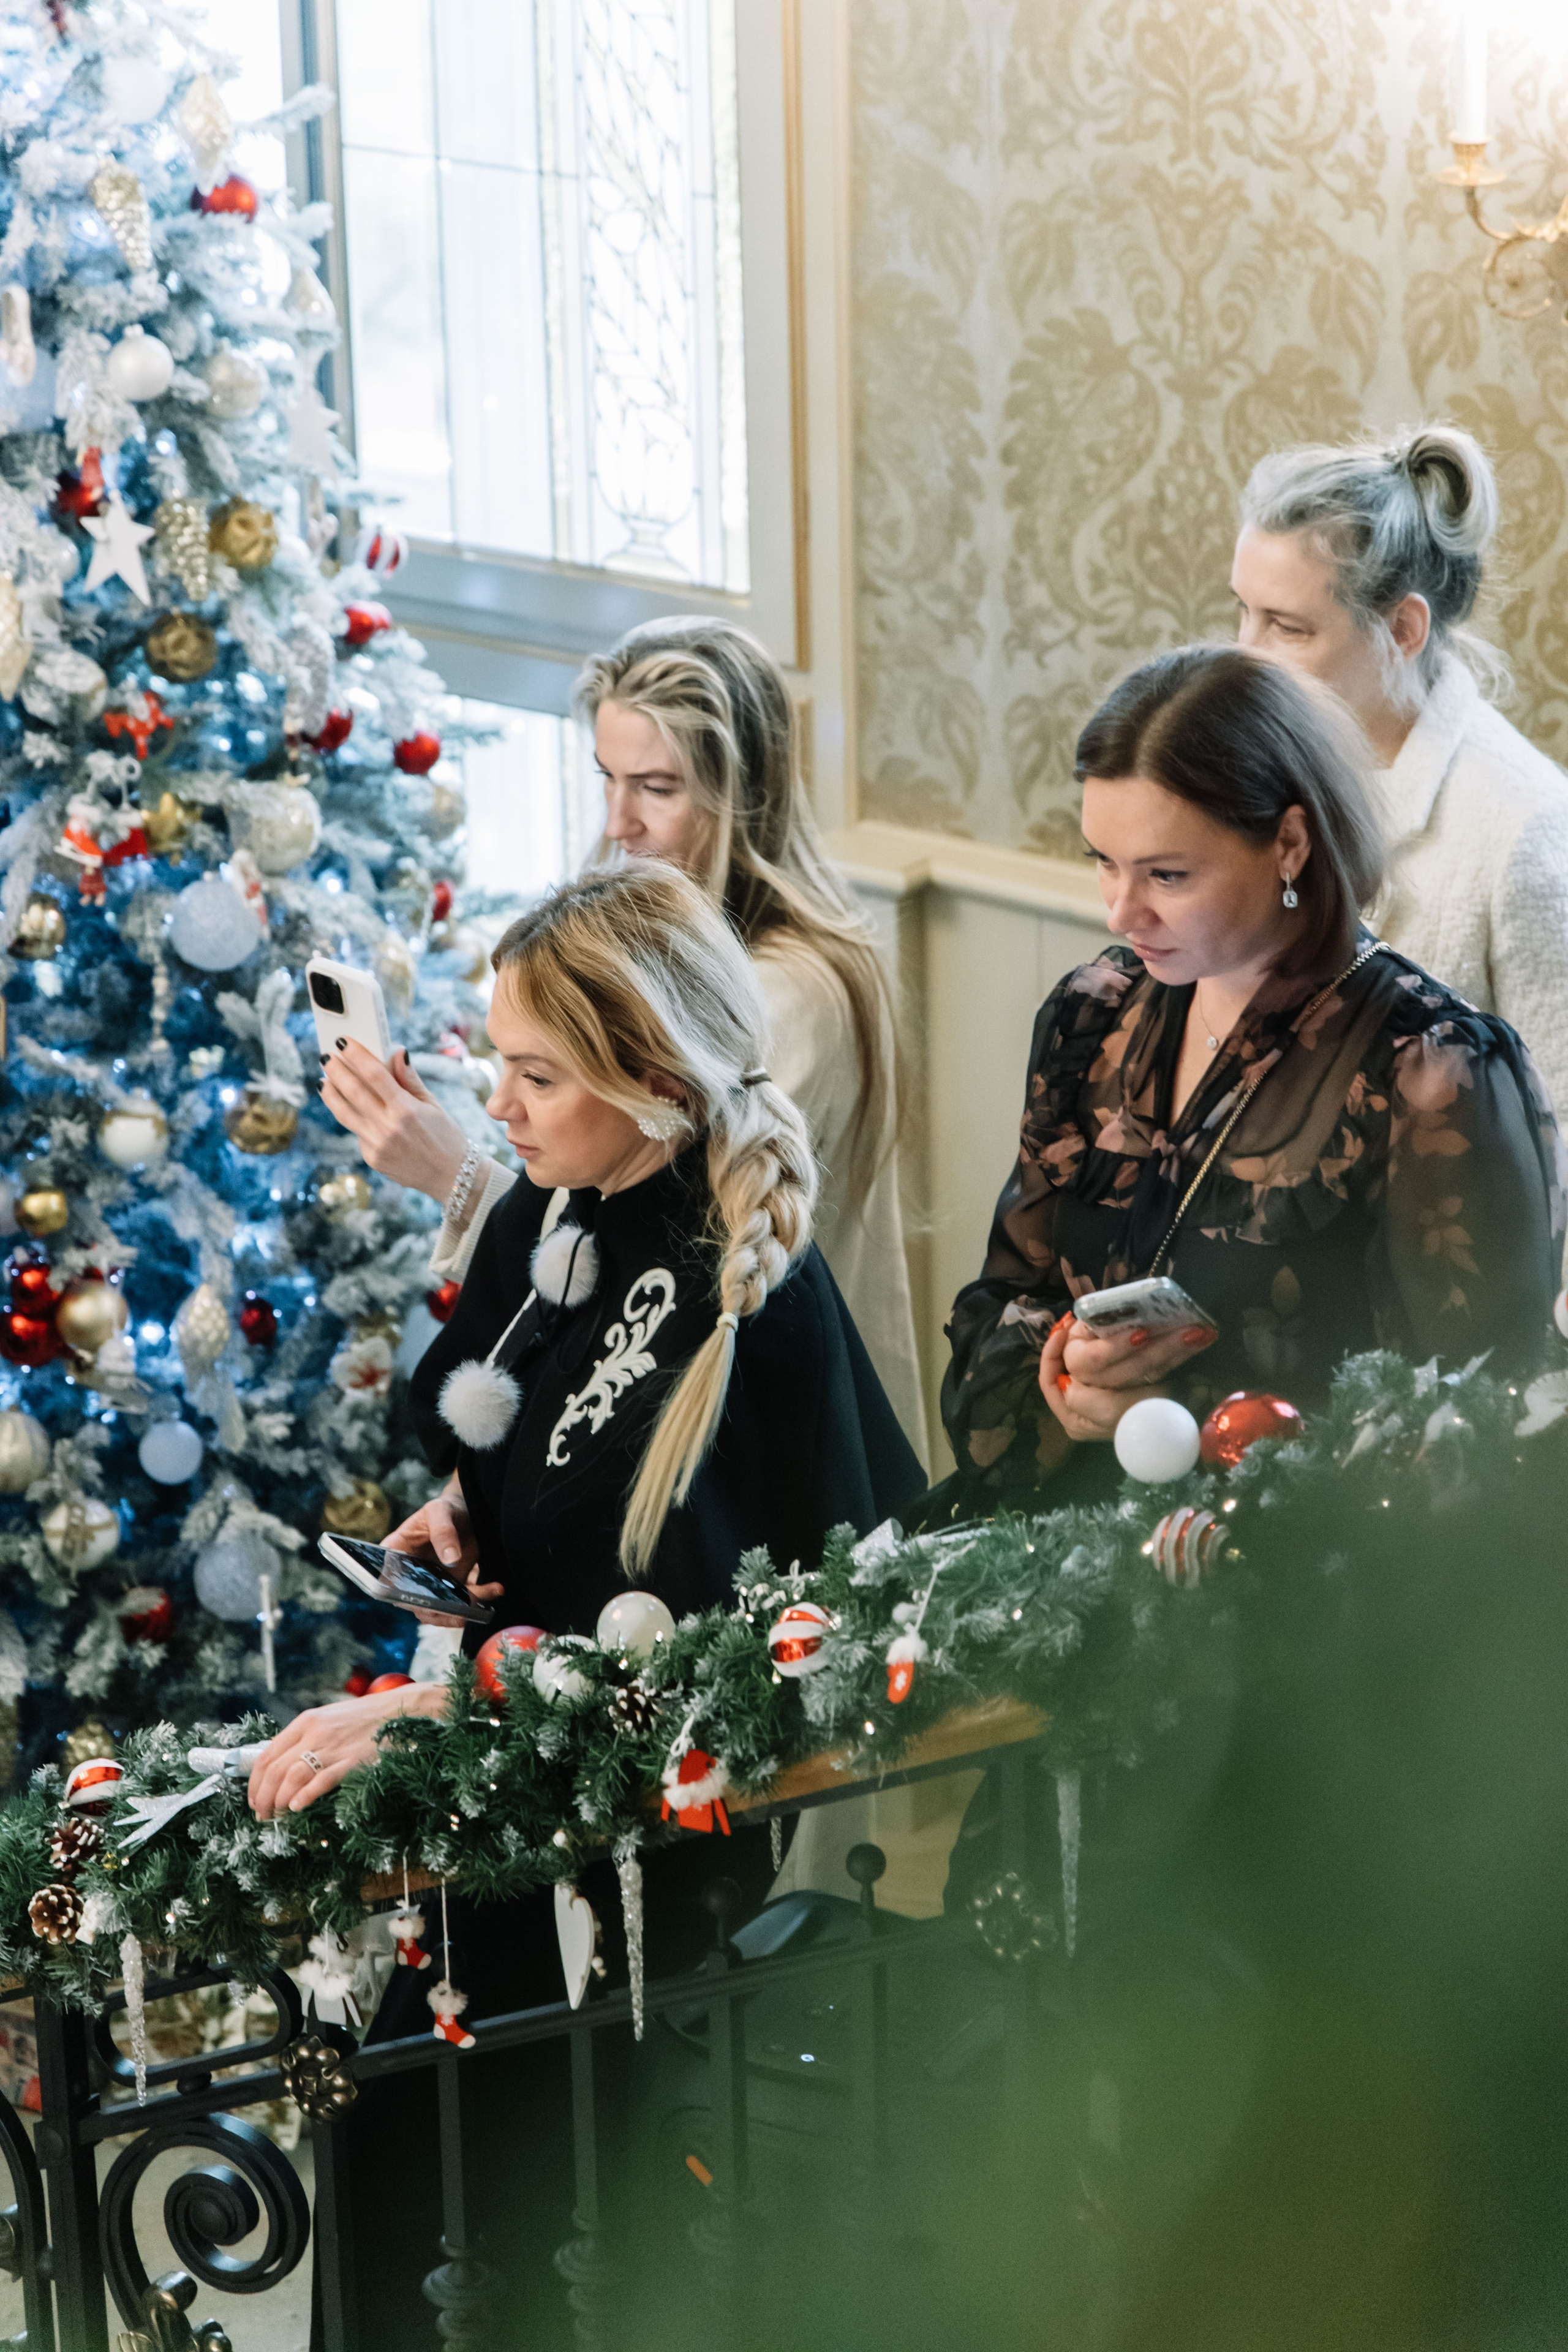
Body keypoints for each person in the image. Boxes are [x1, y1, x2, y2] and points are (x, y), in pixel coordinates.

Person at [252, 862, 923, 2340]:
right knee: (408, 2167)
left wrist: (453, 1697)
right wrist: (461, 1524)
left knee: (572, 2216)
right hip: (511, 1791)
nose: (498, 1102)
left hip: (635, 1859)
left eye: (535, 1071)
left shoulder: (747, 1294)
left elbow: (714, 1640)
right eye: (501, 1061)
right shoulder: (551, 1211)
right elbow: (528, 1465)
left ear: (653, 1075)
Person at [941, 644, 1564, 1517]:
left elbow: (1489, 1436)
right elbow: (1004, 1301)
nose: (1121, 912)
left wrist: (1186, 1423)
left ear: (1290, 844)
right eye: (1104, 862)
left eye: (1167, 875)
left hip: (1289, 1599)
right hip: (1057, 1548)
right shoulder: (1094, 1015)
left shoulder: (1432, 1073)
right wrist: (1064, 1374)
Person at [319, 616, 928, 1466]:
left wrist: (454, 1178)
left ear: (744, 792)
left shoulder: (783, 995)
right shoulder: (665, 953)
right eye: (608, 778)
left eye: (657, 786)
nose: (620, 822)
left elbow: (649, 1267)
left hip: (753, 1434)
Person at [1232, 423, 1568, 1120]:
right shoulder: (1264, 767)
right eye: (1243, 611)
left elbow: (1558, 1126)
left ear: (1403, 630)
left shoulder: (1523, 830)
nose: (1246, 656)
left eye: (1286, 628)